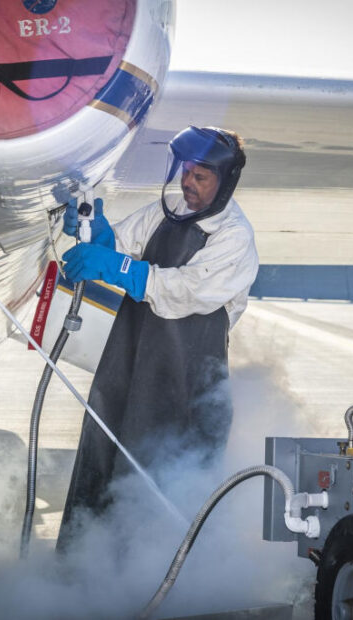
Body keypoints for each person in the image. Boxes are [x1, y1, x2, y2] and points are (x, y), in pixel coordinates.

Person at [56, 126, 259, 550]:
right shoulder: (168, 212)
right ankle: (84, 571)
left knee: (165, 471)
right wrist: (94, 231)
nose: (188, 183)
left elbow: (183, 291)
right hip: (129, 360)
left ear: (225, 183)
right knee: (105, 453)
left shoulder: (233, 237)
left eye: (200, 177)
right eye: (186, 172)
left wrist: (115, 269)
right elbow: (122, 247)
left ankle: (159, 581)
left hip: (184, 378)